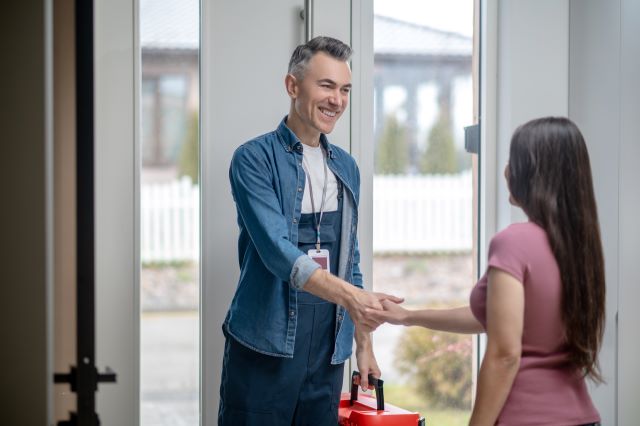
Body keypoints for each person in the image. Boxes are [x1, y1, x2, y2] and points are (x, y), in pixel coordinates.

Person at [369, 117, 604, 426]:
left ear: (533, 172)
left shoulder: (514, 242)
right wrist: (408, 316)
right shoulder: (580, 247)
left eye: (513, 160)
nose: (506, 169)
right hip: (583, 417)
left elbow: (505, 354)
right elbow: (492, 318)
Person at [218, 36, 401, 426]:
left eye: (345, 89)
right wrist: (355, 297)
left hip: (325, 356)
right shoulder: (253, 159)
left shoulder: (346, 168)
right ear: (292, 86)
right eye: (326, 85)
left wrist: (362, 345)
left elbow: (349, 260)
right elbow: (277, 252)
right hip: (263, 350)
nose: (337, 99)